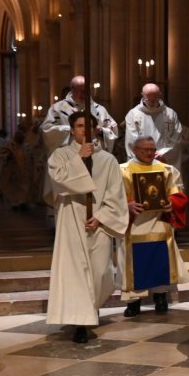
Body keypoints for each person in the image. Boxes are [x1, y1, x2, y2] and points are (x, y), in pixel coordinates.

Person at [45, 112, 129, 343]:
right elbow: (59, 180)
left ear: (95, 129)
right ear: (72, 130)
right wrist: (79, 159)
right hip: (71, 219)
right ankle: (81, 321)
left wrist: (101, 216)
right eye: (79, 126)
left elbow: (116, 194)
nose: (84, 130)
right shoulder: (61, 155)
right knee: (75, 273)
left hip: (98, 222)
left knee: (100, 272)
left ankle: (90, 308)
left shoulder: (108, 160)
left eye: (88, 126)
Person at [119, 135, 189, 315]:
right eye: (145, 150)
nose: (149, 153)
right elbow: (113, 197)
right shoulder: (122, 170)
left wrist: (171, 203)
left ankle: (160, 297)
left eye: (152, 150)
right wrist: (126, 206)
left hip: (159, 221)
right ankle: (133, 301)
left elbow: (177, 193)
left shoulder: (166, 170)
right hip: (133, 224)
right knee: (134, 263)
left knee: (160, 260)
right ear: (135, 150)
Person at [41, 76, 118, 155]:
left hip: (94, 155)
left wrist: (101, 131)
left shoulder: (99, 110)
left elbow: (113, 129)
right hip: (69, 156)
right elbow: (47, 129)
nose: (80, 95)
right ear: (72, 90)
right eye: (77, 91)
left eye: (83, 91)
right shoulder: (57, 108)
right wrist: (70, 130)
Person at [124, 83, 184, 168]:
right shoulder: (133, 114)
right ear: (143, 95)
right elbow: (132, 140)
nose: (152, 101)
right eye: (149, 98)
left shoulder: (170, 114)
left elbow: (176, 137)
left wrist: (162, 153)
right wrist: (146, 155)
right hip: (142, 160)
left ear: (160, 95)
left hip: (164, 159)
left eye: (155, 98)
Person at [0, 129, 33, 210]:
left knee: (24, 188)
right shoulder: (9, 145)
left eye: (22, 138)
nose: (21, 139)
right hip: (12, 171)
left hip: (24, 172)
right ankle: (14, 203)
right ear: (15, 137)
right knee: (13, 189)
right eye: (19, 137)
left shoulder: (26, 146)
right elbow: (2, 154)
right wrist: (8, 156)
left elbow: (30, 156)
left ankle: (22, 202)